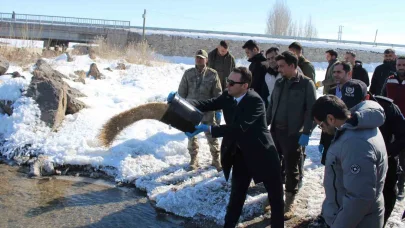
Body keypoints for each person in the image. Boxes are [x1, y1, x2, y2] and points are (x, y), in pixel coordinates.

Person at [170, 67, 284, 228]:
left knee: (276, 198)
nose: (227, 85)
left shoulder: (255, 101)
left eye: (231, 83)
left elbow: (239, 128)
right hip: (240, 155)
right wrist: (180, 102)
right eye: (227, 81)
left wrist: (209, 129)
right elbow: (207, 104)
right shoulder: (228, 96)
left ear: (244, 86)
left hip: (262, 155)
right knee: (236, 197)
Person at [312, 94, 387, 228]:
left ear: (330, 118)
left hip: (358, 222)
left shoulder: (354, 143)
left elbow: (359, 198)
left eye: (321, 125)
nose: (322, 130)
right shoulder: (356, 127)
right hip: (352, 216)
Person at [341, 79, 405, 225]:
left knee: (385, 196)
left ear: (367, 98)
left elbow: (403, 135)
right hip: (353, 162)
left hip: (384, 163)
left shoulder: (387, 107)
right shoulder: (341, 108)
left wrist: (387, 152)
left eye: (357, 104)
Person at [267, 51, 316, 219]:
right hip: (275, 132)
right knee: (273, 166)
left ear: (293, 66)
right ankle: (274, 196)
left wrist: (307, 132)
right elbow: (271, 104)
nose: (278, 69)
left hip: (293, 134)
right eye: (278, 66)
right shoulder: (279, 82)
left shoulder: (306, 84)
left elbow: (311, 110)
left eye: (281, 66)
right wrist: (264, 123)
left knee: (291, 168)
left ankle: (289, 201)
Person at [177, 49, 222, 171]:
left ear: (206, 60)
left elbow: (218, 94)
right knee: (191, 136)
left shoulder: (213, 74)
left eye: (201, 58)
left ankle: (216, 159)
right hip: (191, 110)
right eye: (197, 57)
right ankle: (193, 159)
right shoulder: (188, 73)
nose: (199, 59)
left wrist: (218, 111)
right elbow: (181, 93)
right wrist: (179, 109)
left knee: (212, 135)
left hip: (208, 111)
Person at [318, 61, 352, 165]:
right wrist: (322, 140)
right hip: (331, 138)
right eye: (334, 72)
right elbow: (326, 118)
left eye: (339, 72)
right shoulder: (331, 92)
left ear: (348, 73)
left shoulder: (355, 91)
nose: (335, 75)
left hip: (347, 139)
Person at [382, 55, 405, 200]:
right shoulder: (389, 79)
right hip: (391, 123)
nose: (401, 67)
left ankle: (401, 186)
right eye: (399, 65)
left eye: (403, 65)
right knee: (390, 154)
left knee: (404, 158)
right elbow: (382, 97)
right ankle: (390, 182)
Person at [242, 40, 269, 107]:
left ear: (255, 49)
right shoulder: (254, 63)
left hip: (259, 97)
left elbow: (256, 83)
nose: (247, 55)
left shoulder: (262, 63)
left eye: (248, 52)